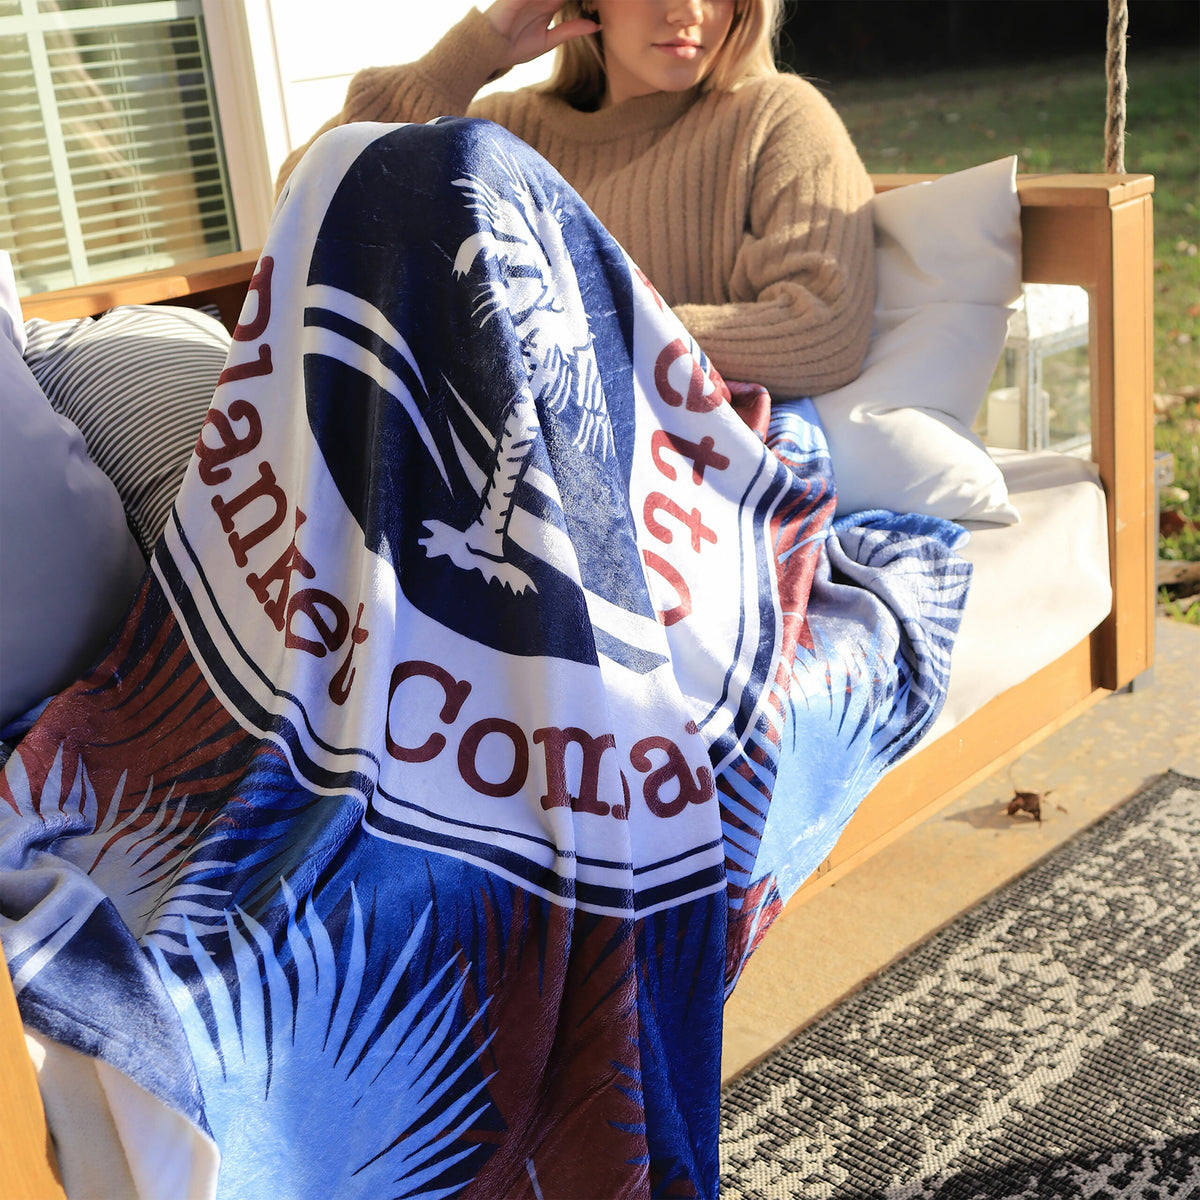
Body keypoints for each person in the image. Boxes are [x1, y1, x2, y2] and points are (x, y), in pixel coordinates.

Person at [275, 0, 876, 399]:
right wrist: (477, 49)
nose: (687, 11)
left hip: (666, 492)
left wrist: (563, 342)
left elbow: (821, 329)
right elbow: (305, 202)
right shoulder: (504, 131)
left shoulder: (774, 117)